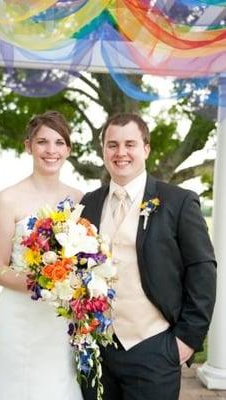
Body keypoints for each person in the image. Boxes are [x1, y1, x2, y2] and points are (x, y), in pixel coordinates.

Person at [80, 112, 216, 400]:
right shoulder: (88, 204)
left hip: (155, 347)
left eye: (130, 144)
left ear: (146, 149)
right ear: (103, 149)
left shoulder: (178, 202)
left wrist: (186, 341)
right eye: (112, 145)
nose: (121, 153)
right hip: (97, 351)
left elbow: (202, 270)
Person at [0, 111, 83, 400]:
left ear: (68, 150)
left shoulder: (79, 199)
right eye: (42, 142)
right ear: (28, 146)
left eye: (59, 142)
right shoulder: (7, 199)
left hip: (61, 319)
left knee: (59, 385)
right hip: (20, 316)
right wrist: (44, 282)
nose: (51, 150)